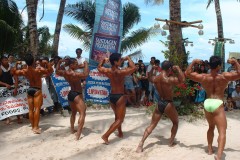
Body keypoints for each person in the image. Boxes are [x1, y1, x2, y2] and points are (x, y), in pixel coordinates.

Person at [185, 56, 240, 160]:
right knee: (222, 131)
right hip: (217, 103)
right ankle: (219, 156)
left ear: (210, 65)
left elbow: (187, 73)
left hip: (207, 103)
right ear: (219, 66)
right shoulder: (224, 77)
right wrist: (235, 62)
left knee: (211, 127)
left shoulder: (204, 77)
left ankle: (210, 149)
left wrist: (193, 62)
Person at [136, 61, 185, 153]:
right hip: (168, 103)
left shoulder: (156, 78)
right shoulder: (169, 79)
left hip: (160, 103)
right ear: (170, 69)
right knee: (175, 122)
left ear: (161, 68)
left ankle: (141, 144)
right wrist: (178, 69)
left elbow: (149, 77)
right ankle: (170, 142)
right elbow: (182, 80)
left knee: (152, 125)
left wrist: (151, 70)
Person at [97, 53, 136, 144]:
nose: (121, 61)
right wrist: (128, 59)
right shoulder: (121, 72)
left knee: (117, 117)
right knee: (120, 119)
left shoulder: (108, 70)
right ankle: (106, 135)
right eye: (119, 60)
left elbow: (99, 67)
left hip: (112, 96)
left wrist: (103, 60)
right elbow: (133, 68)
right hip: (120, 97)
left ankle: (120, 132)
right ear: (115, 62)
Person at [12, 54, 53, 134]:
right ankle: (36, 127)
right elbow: (50, 71)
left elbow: (14, 72)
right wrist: (46, 63)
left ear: (26, 62)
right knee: (37, 109)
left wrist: (17, 64)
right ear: (33, 61)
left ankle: (32, 126)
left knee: (30, 110)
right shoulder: (38, 70)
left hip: (30, 89)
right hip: (37, 90)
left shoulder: (25, 71)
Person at [56, 58, 89, 140]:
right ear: (71, 65)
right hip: (77, 94)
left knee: (73, 112)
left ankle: (72, 129)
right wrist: (86, 65)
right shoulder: (76, 74)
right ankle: (78, 134)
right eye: (75, 63)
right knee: (82, 113)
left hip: (71, 94)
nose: (77, 64)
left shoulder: (65, 72)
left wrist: (59, 62)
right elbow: (85, 74)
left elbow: (56, 71)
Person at [0, 56, 21, 124]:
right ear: (1, 62)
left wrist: (15, 88)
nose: (6, 61)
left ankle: (18, 117)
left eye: (7, 60)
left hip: (11, 87)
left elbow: (16, 78)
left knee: (15, 102)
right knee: (5, 104)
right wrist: (5, 84)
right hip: (3, 89)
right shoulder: (0, 69)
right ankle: (8, 118)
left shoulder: (11, 68)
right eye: (4, 60)